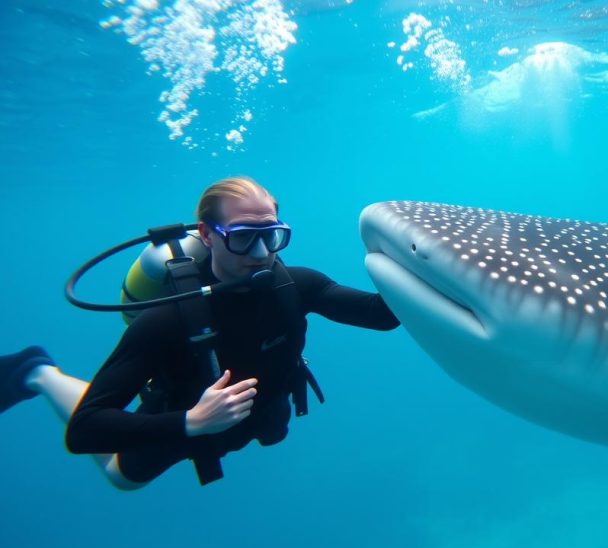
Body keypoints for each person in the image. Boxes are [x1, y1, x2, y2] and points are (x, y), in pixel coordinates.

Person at [0, 177, 399, 489]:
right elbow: (85, 430)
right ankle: (37, 372)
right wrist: (191, 421)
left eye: (271, 235)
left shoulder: (298, 285)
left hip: (256, 414)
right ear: (207, 236)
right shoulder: (167, 319)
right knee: (119, 476)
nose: (261, 253)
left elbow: (384, 315)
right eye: (243, 237)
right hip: (181, 420)